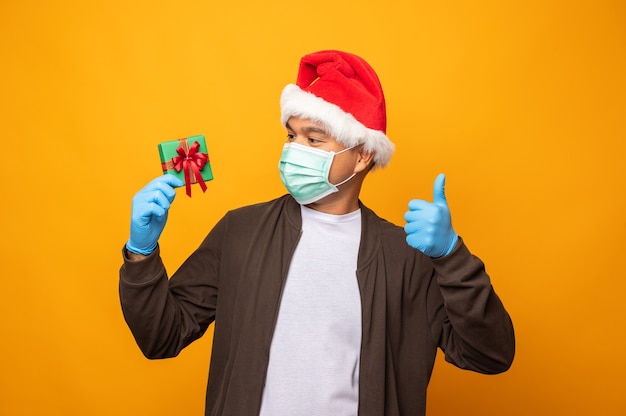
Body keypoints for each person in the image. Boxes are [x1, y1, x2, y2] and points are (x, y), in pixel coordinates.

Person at [119, 50, 515, 416]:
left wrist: (451, 257)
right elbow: (162, 337)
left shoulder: (406, 258)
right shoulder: (241, 231)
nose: (294, 150)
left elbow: (490, 355)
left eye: (314, 139)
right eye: (292, 135)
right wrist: (141, 251)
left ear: (362, 156)